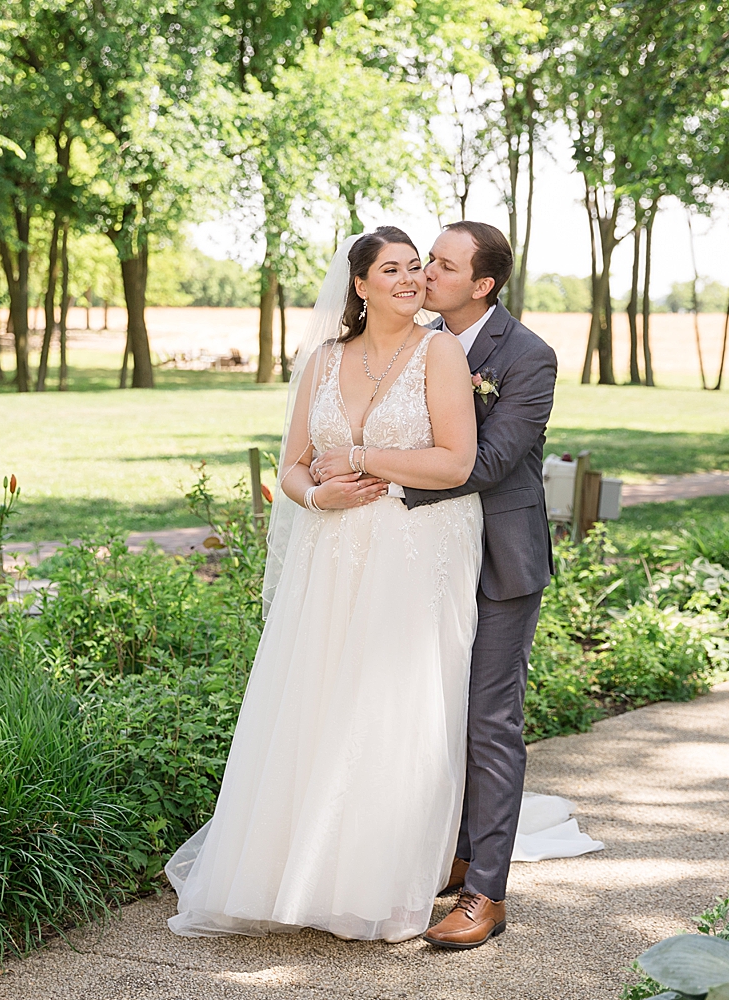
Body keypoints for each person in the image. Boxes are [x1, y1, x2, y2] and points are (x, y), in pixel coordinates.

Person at [164, 226, 485, 941]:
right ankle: (289, 874)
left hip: (411, 556)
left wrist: (365, 456)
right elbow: (293, 467)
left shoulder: (440, 352)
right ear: (360, 285)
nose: (410, 279)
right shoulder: (323, 360)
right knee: (317, 703)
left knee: (390, 710)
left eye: (415, 268)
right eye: (393, 270)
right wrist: (317, 497)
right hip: (333, 553)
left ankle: (373, 881)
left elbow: (458, 463)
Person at [313, 221, 558, 950]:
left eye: (442, 266)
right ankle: (448, 853)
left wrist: (367, 466)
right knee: (427, 710)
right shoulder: (413, 343)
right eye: (421, 263)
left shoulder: (527, 356)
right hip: (421, 557)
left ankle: (487, 892)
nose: (424, 276)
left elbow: (484, 463)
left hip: (499, 564)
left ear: (481, 285)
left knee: (489, 720)